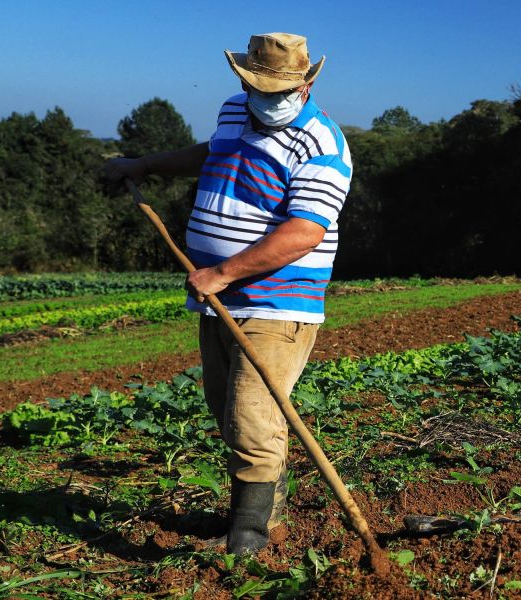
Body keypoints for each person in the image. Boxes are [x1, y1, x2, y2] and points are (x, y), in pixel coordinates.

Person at [105, 32, 352, 555]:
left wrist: (222, 273)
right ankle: (270, 510)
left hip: (276, 300)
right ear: (244, 81)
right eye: (259, 88)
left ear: (306, 86)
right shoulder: (235, 112)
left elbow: (304, 232)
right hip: (220, 301)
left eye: (280, 91)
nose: (268, 99)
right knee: (227, 408)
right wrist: (145, 164)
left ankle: (248, 539)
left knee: (251, 417)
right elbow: (211, 152)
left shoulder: (323, 144)